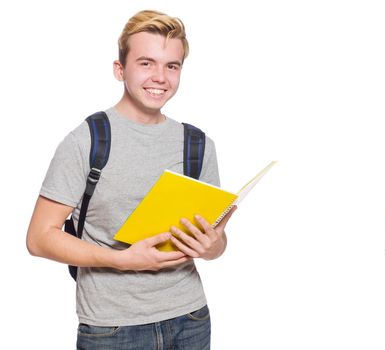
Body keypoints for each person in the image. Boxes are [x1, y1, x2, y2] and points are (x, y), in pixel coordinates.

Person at [26, 9, 233, 349]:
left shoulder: (197, 145)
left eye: (172, 66)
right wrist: (123, 259)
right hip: (112, 328)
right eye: (146, 63)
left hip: (191, 318)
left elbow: (216, 241)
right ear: (119, 69)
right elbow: (38, 238)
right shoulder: (87, 141)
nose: (160, 77)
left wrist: (214, 247)